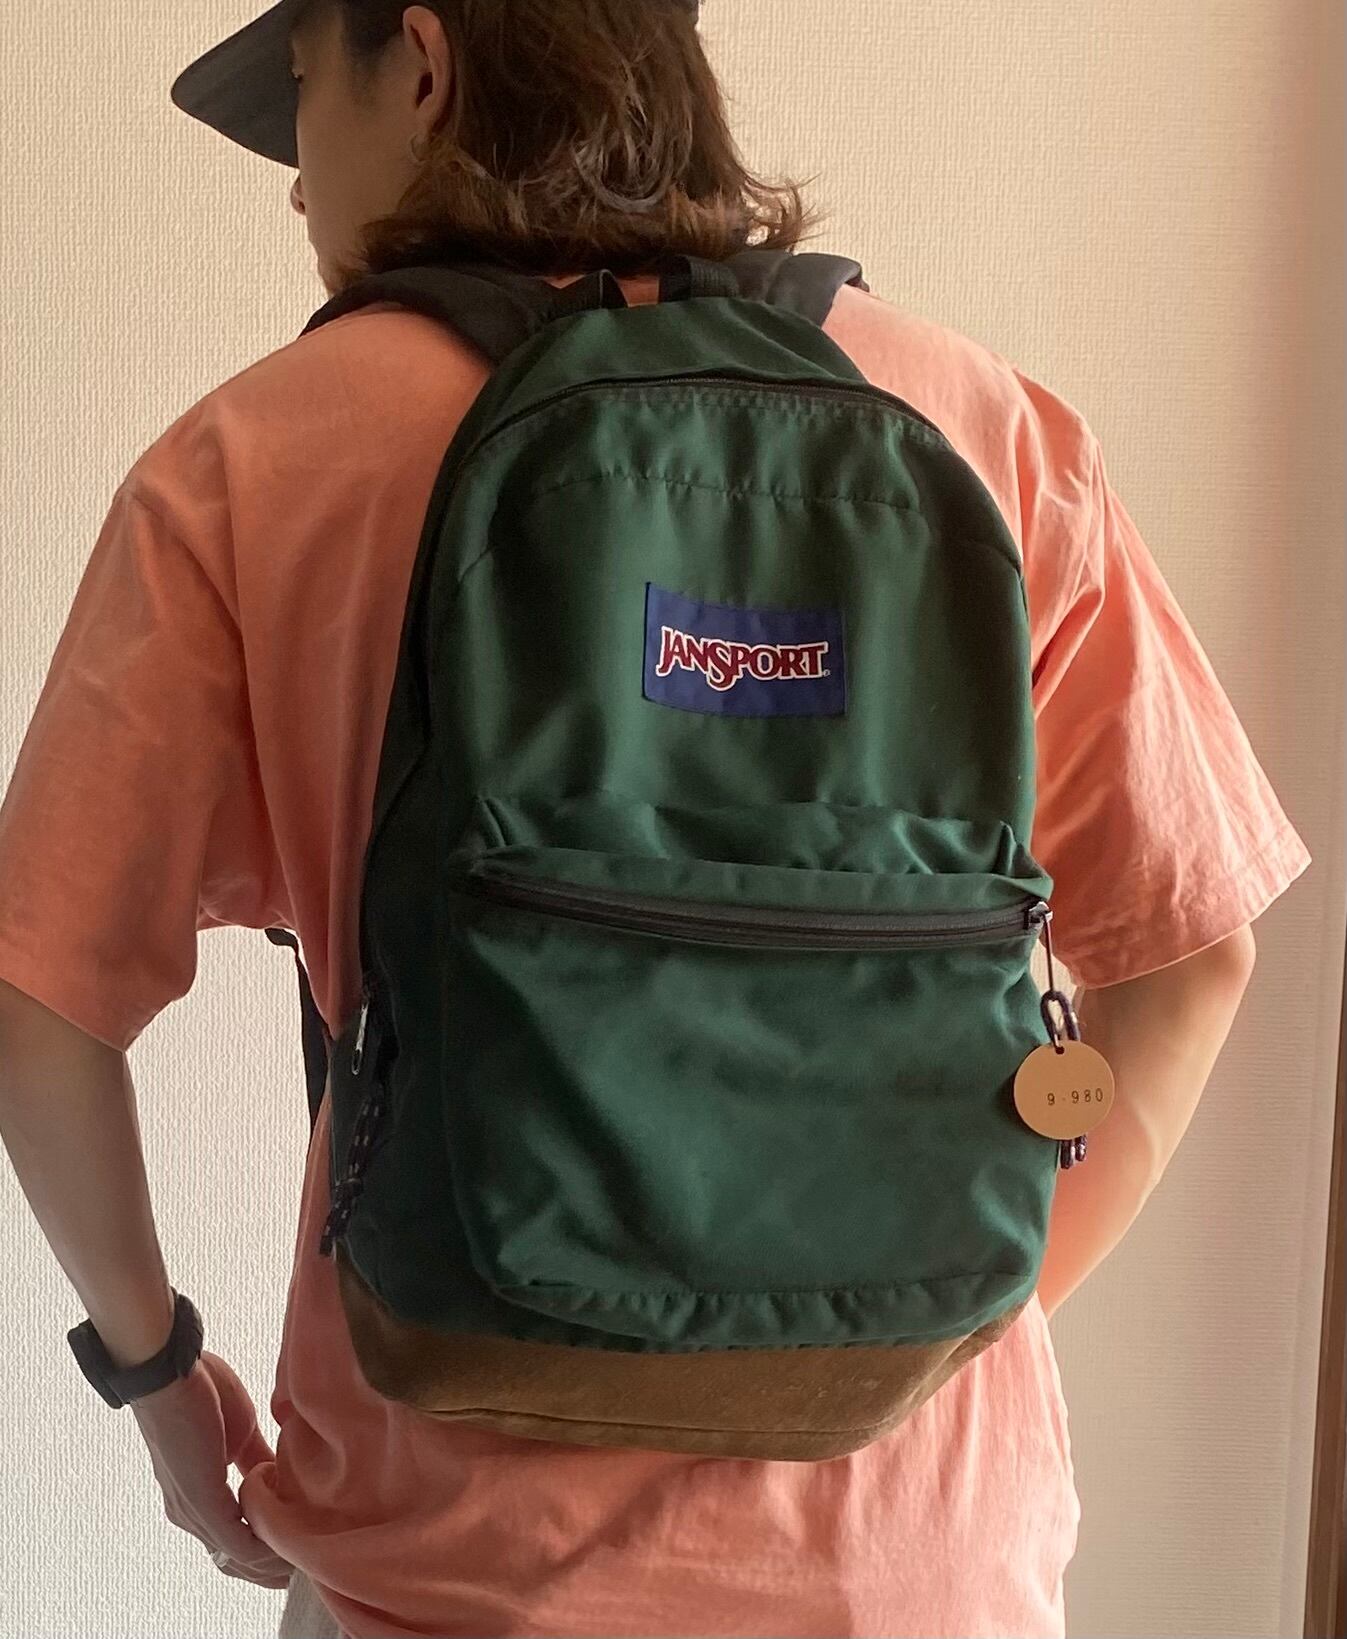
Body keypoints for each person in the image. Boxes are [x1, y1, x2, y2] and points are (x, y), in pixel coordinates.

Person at [0, 2, 1312, 1636]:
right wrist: (946, 1322)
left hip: (444, 1565)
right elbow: (1193, 961)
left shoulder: (248, 463)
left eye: (304, 98)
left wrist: (158, 1379)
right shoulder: (986, 427)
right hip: (921, 1572)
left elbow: (39, 1005)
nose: (293, 182)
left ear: (423, 65)